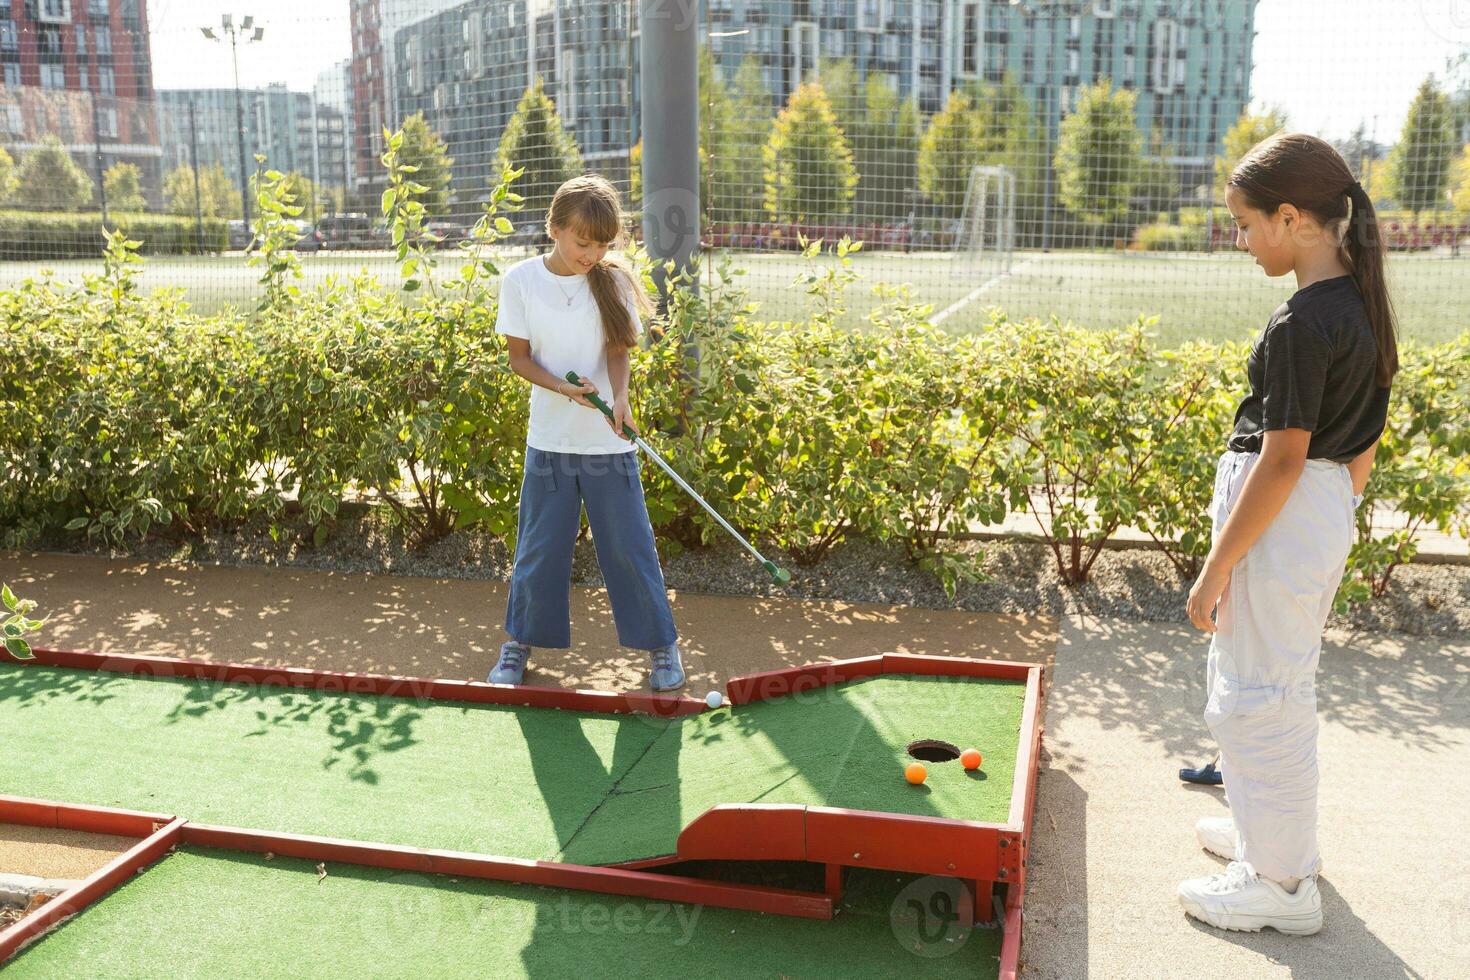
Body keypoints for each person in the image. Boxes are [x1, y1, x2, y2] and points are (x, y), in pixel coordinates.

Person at [1176, 133, 1396, 936]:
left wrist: (1215, 567)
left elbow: (1282, 459)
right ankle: (1273, 837)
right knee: (1274, 683)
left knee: (1255, 698)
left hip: (1287, 511)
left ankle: (1279, 882)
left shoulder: (1304, 320)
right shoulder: (1359, 302)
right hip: (1314, 510)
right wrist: (1324, 516)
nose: (1240, 240)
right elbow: (1357, 447)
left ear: (1292, 216)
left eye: (1243, 223)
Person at [485, 174, 684, 692]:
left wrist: (620, 400)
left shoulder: (612, 282)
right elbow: (519, 360)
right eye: (582, 242)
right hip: (549, 442)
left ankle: (663, 647)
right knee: (538, 548)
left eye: (601, 244)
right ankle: (517, 645)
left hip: (605, 444)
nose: (592, 254)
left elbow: (617, 352)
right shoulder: (521, 281)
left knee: (628, 546)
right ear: (554, 229)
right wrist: (562, 389)